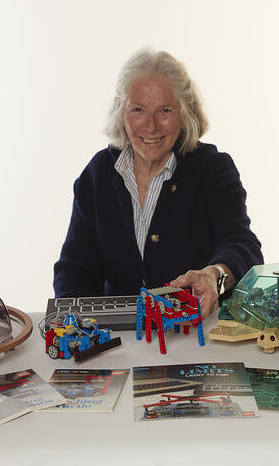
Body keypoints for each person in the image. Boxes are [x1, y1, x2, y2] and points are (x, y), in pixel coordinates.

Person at [53, 49, 262, 318]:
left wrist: (213, 276)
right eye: (138, 110)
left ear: (185, 111)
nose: (150, 126)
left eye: (164, 110)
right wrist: (77, 334)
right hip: (121, 344)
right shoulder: (98, 174)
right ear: (121, 110)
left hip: (197, 335)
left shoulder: (213, 168)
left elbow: (242, 245)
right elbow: (74, 270)